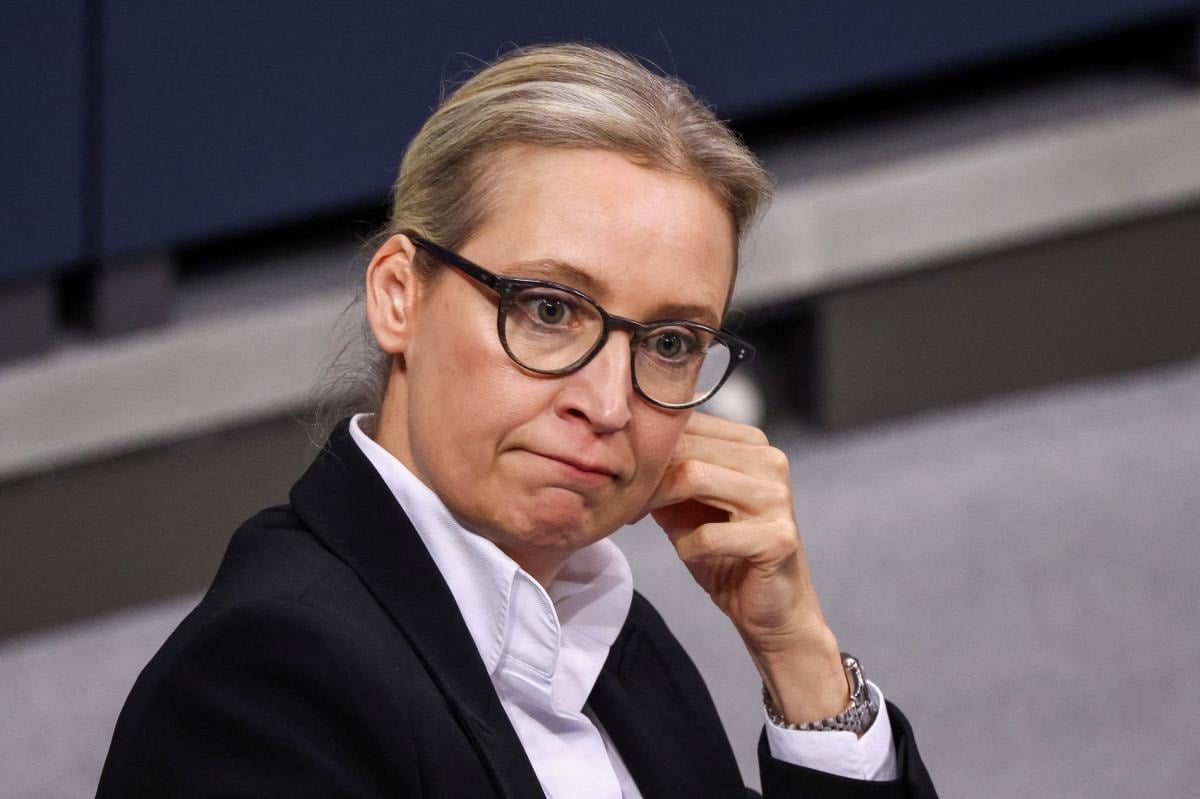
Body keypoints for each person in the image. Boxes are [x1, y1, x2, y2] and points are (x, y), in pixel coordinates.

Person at [98, 43, 937, 798]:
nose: (608, 404)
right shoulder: (265, 683)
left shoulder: (611, 631)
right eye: (549, 309)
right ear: (399, 296)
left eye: (670, 342)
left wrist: (800, 659)